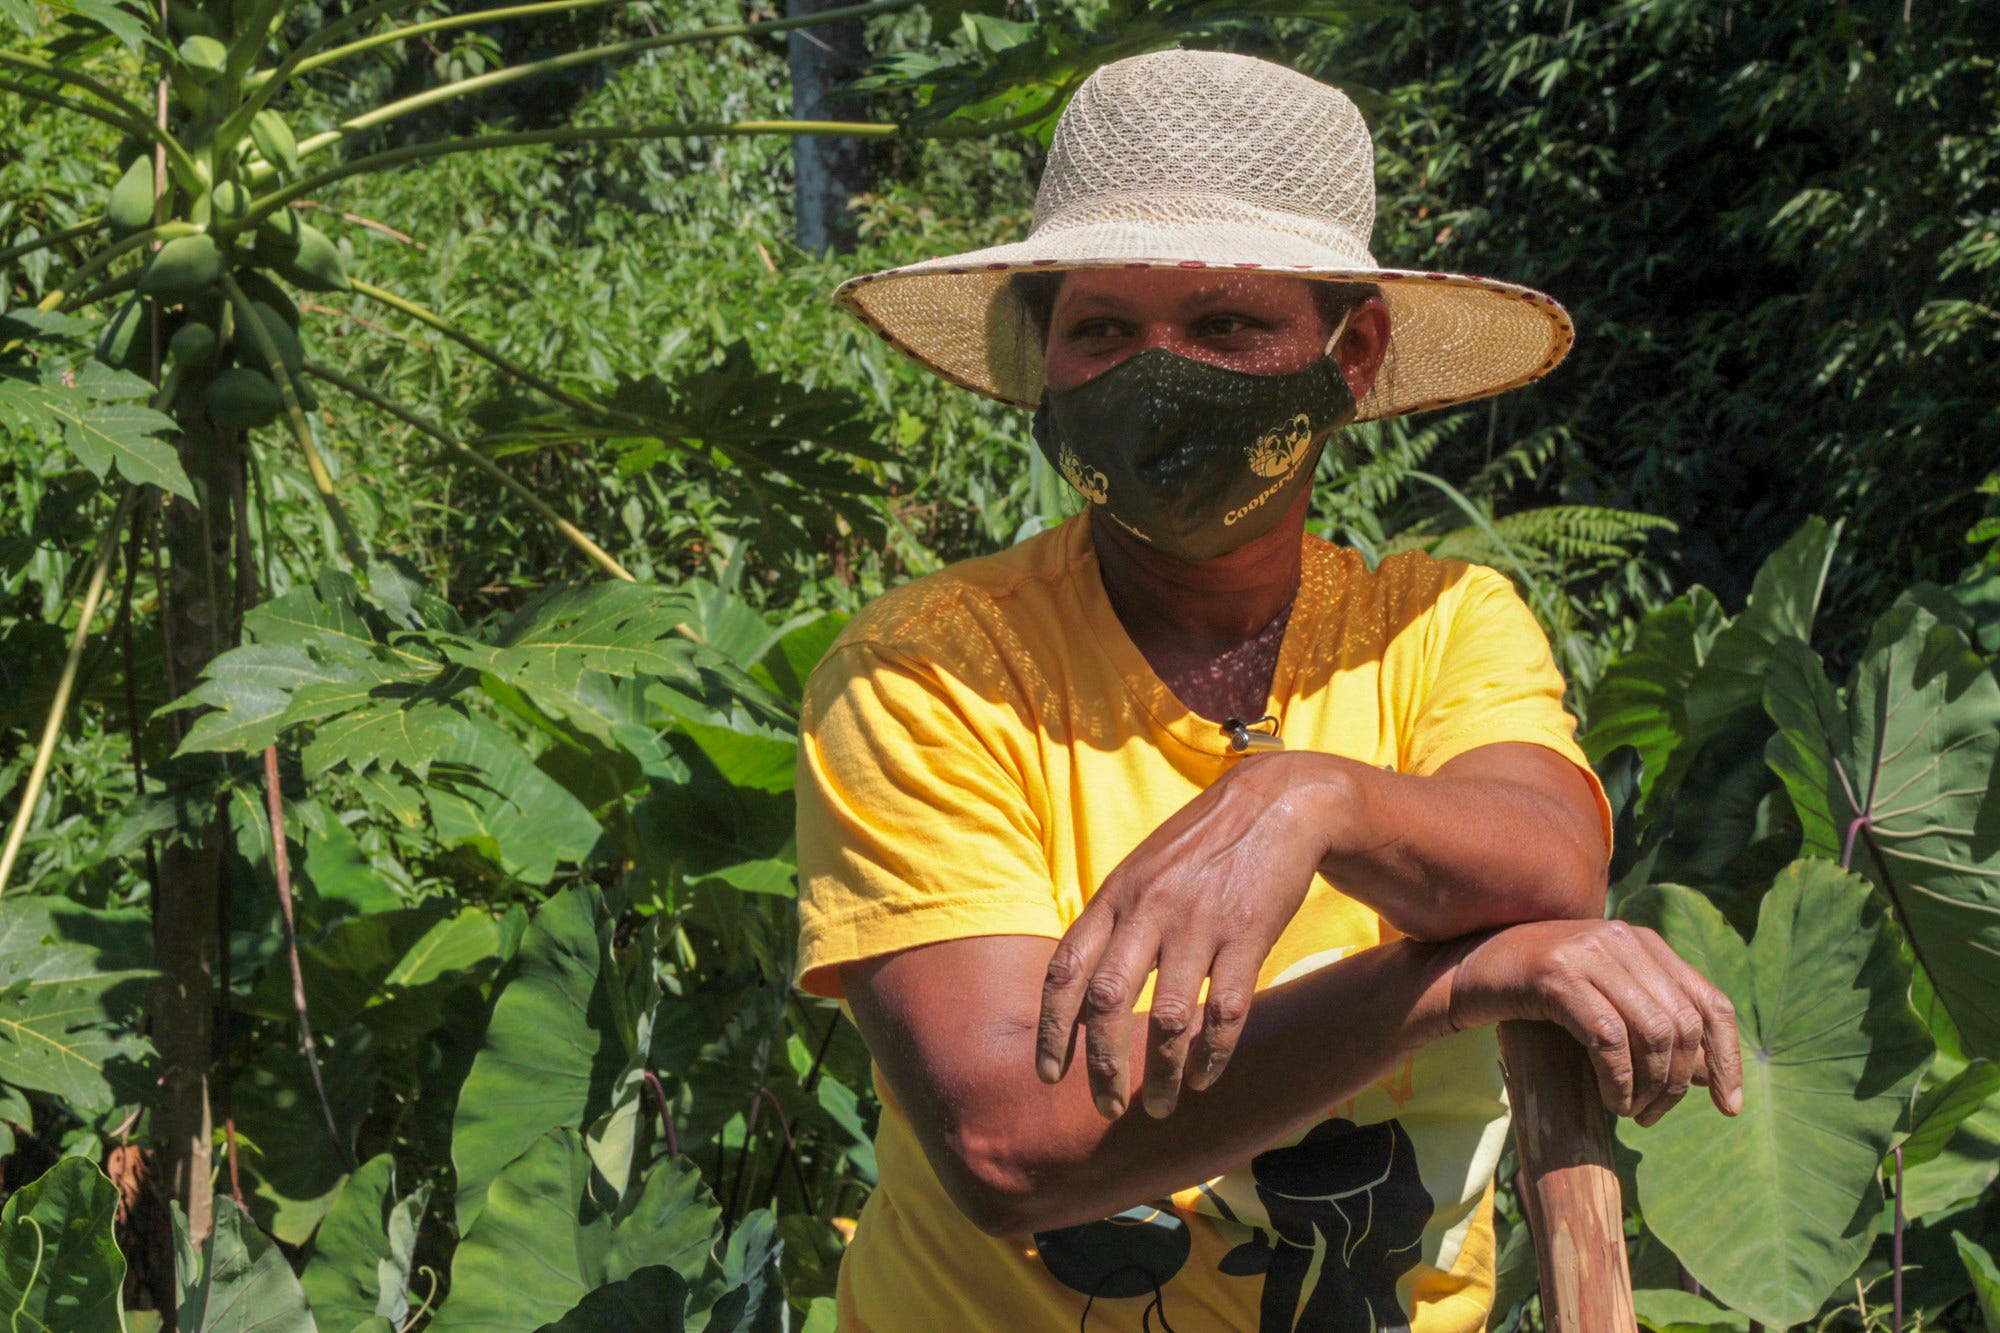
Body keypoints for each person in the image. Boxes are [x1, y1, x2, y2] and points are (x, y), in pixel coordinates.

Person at [793, 49, 1742, 1333]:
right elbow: (1009, 1145)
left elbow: (1548, 860)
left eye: (1225, 326)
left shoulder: (1435, 626)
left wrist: (1309, 802)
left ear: (1349, 356)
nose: (1156, 372)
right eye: (1103, 331)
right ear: (1046, 361)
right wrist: (1461, 981)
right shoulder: (929, 671)